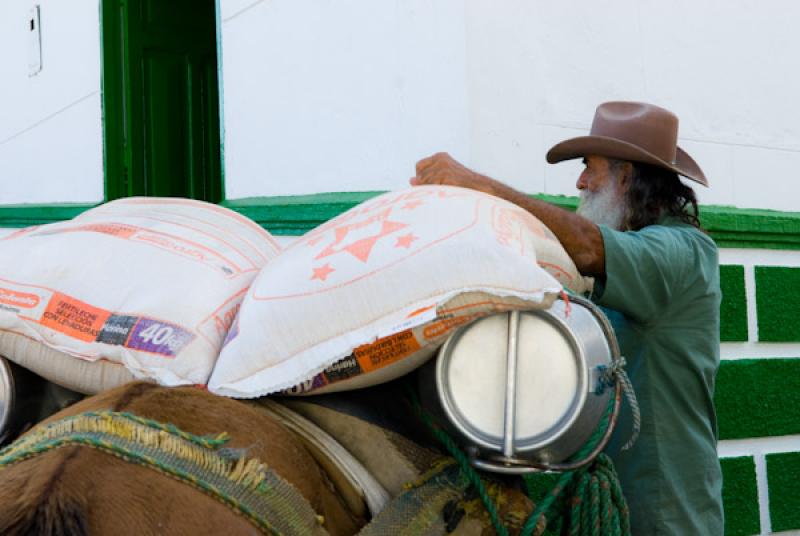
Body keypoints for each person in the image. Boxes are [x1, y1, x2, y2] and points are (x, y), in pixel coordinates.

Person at [410, 101, 723, 535]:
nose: (579, 182)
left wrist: (476, 185)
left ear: (627, 177)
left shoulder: (682, 252)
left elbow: (588, 246)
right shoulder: (629, 257)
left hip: (664, 515)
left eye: (588, 168)